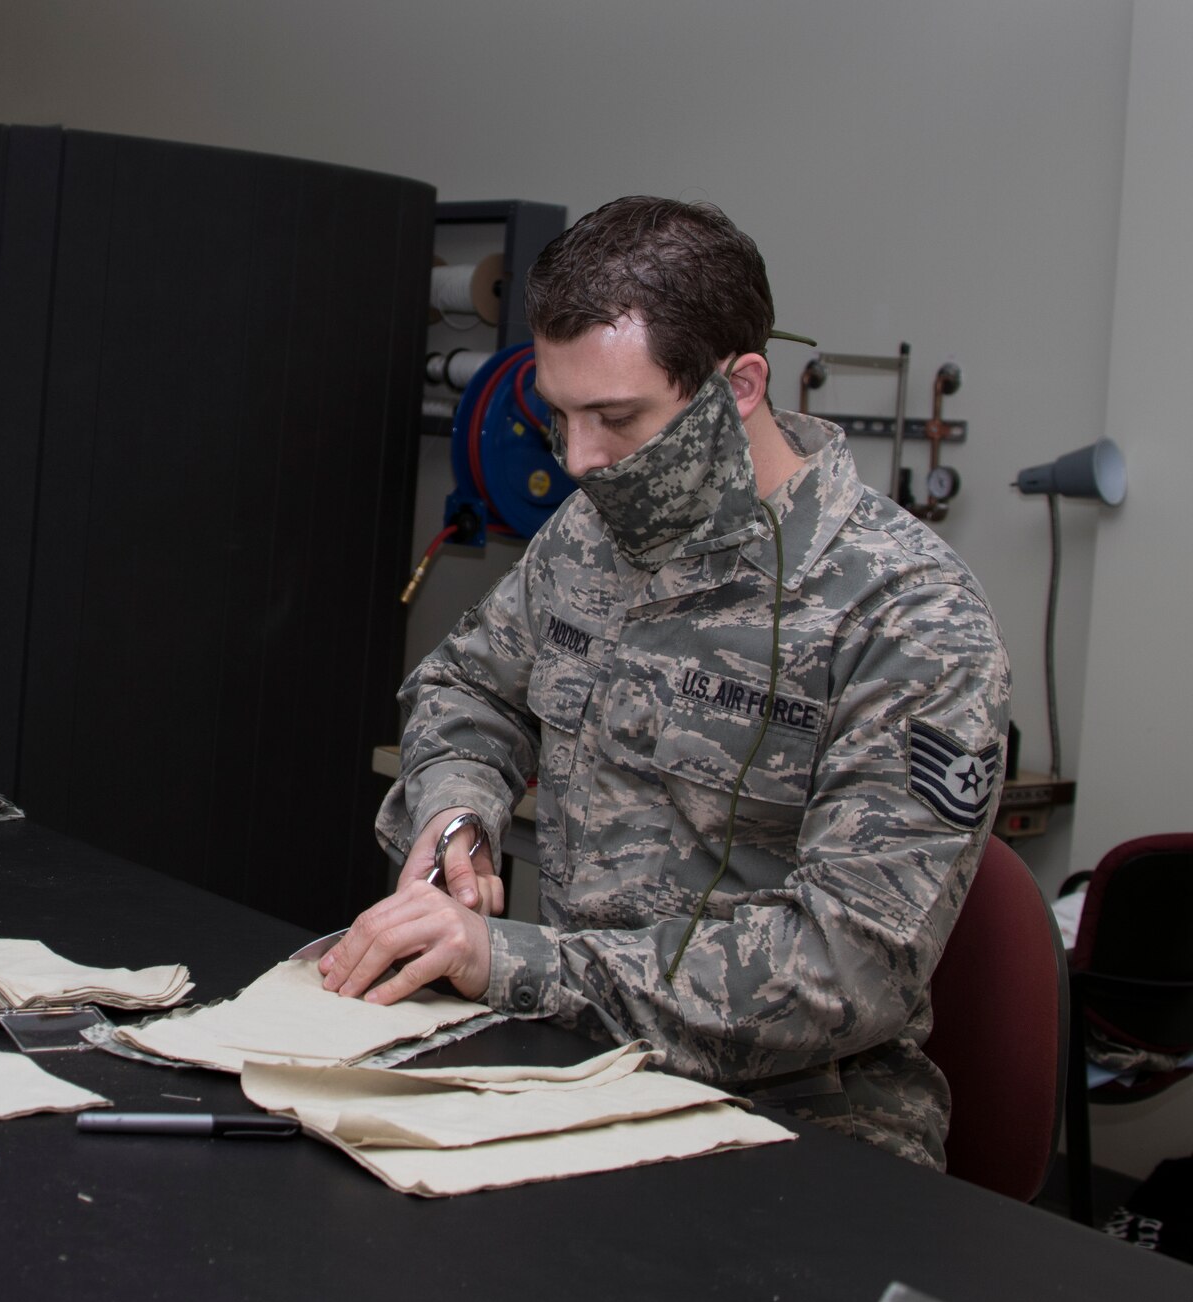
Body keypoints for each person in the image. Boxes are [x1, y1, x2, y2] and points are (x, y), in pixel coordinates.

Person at [321, 196, 1010, 1168]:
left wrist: (506, 961)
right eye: (556, 415)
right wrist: (454, 813)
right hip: (575, 1060)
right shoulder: (592, 538)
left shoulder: (905, 617)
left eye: (615, 418)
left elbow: (843, 970)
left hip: (799, 1117)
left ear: (737, 386)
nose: (577, 461)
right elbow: (470, 690)